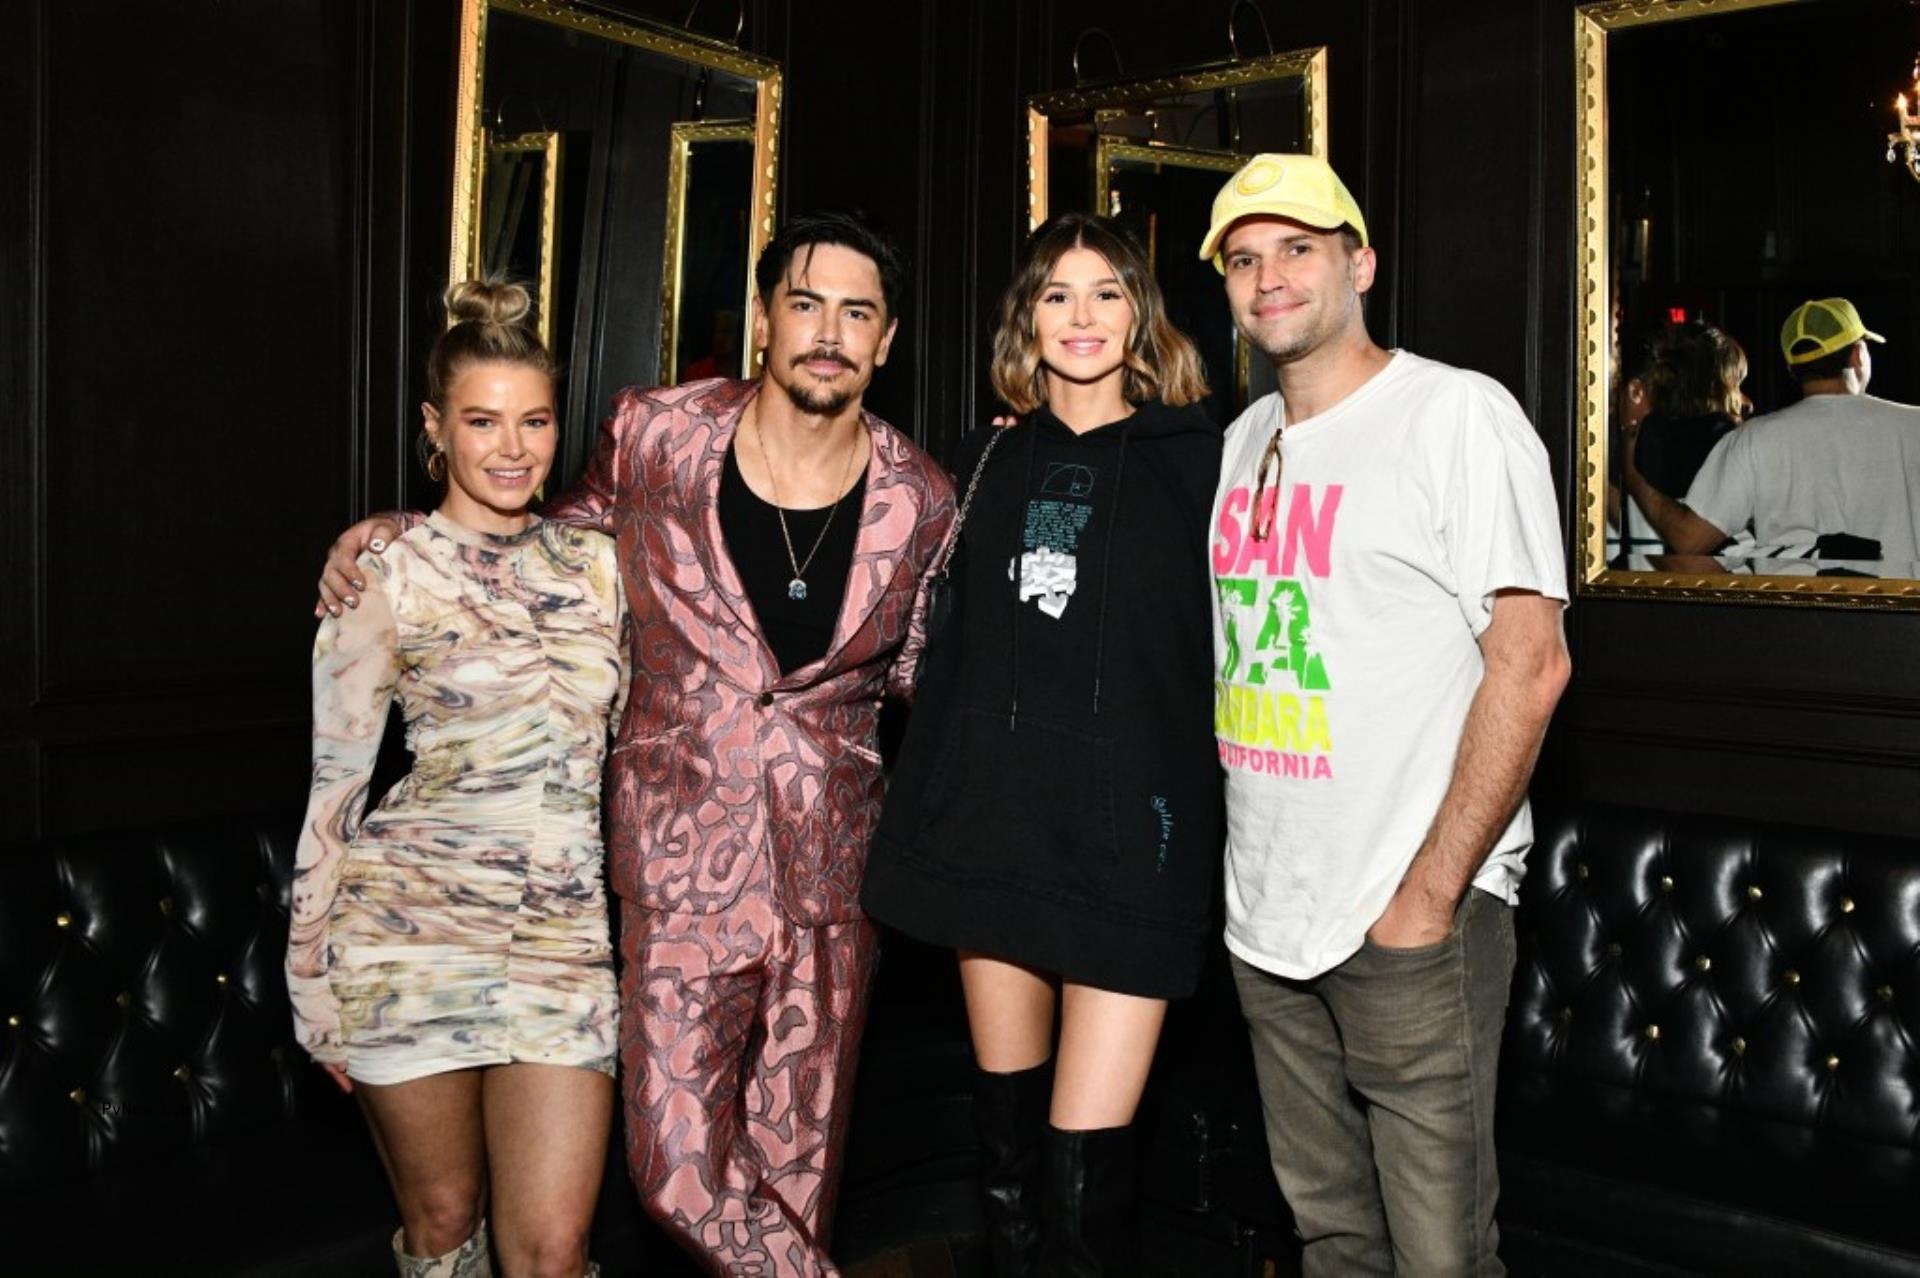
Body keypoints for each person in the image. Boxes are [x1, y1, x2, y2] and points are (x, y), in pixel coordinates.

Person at [315, 213, 956, 1276]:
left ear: (887, 342)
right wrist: (397, 533)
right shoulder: (655, 434)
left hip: (833, 880)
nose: (828, 333)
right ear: (762, 320)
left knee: (796, 1187)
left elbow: (929, 677)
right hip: (675, 867)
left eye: (858, 312)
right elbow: (540, 536)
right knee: (673, 1170)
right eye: (805, 304)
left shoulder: (923, 499)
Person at [1199, 153, 1571, 1275]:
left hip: (1409, 920)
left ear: (1361, 262)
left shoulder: (1455, 415)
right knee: (1333, 1241)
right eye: (1245, 259)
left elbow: (1531, 663)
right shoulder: (1242, 440)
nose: (1270, 279)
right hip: (1267, 916)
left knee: (1440, 1258)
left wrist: (1427, 898)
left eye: (1298, 250)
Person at [862, 213, 1222, 1274]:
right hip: (998, 827)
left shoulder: (1201, 458)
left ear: (1140, 314)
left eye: (1106, 291)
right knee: (1010, 1160)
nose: (1082, 316)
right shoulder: (986, 457)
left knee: (1083, 1167)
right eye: (1057, 295)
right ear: (1028, 318)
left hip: (1125, 850)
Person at [289, 280, 624, 1278]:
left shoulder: (604, 567)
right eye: (483, 422)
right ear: (437, 427)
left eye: (535, 420)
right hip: (408, 937)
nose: (514, 448)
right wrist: (311, 986)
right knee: (444, 1228)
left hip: (564, 939)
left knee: (553, 1250)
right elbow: (333, 794)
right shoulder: (381, 576)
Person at [1628, 297, 1920, 564]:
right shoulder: (1914, 426)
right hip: (1900, 614)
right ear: (1857, 355)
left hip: (1791, 616)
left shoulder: (1752, 439)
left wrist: (1633, 473)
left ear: (1793, 368)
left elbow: (1689, 540)